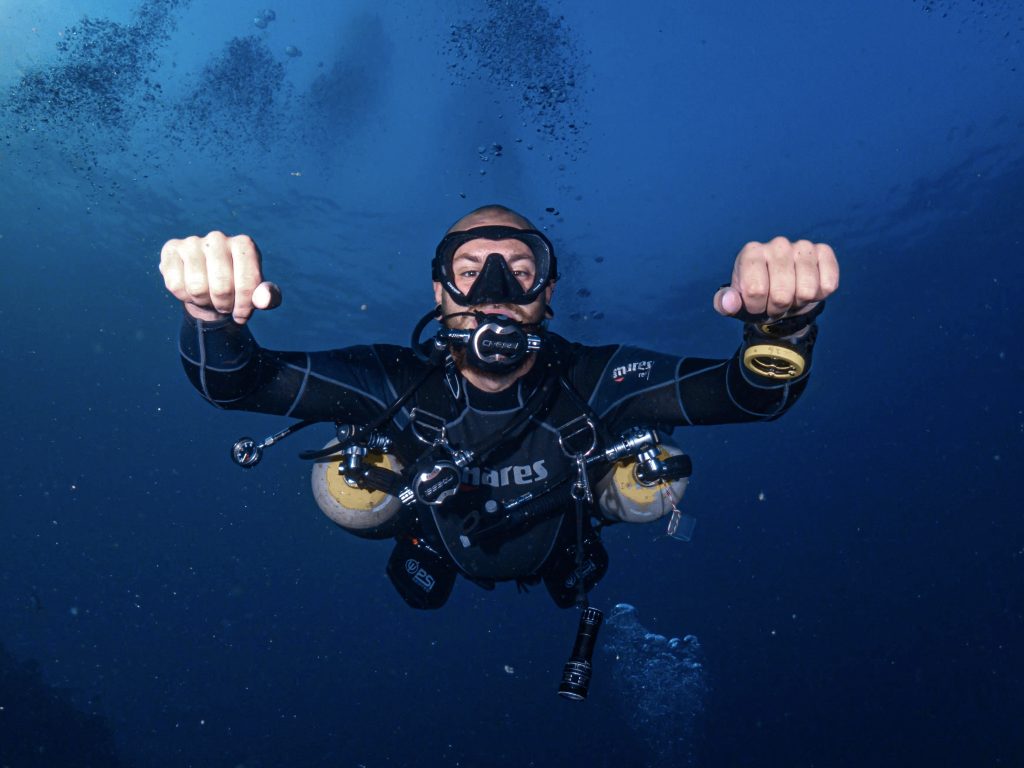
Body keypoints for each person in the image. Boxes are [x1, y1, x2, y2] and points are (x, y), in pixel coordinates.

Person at [159, 204, 839, 610]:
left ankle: (611, 491)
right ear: (439, 293)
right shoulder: (391, 378)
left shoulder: (597, 377)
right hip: (432, 536)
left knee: (661, 477)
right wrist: (209, 315)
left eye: (519, 269)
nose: (493, 288)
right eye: (468, 268)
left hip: (563, 546)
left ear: (548, 293)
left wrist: (781, 329)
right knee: (344, 492)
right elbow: (235, 386)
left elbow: (754, 396)